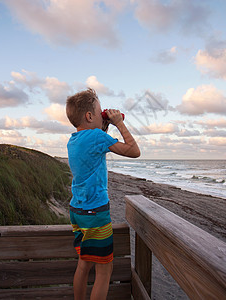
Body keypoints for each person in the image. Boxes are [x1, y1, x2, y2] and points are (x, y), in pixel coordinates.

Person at [66, 88, 140, 299]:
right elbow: (134, 151)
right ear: (89, 116)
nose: (103, 114)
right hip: (95, 213)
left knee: (84, 264)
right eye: (100, 112)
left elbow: (95, 146)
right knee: (104, 270)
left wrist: (103, 124)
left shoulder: (74, 140)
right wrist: (118, 122)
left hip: (77, 212)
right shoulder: (97, 137)